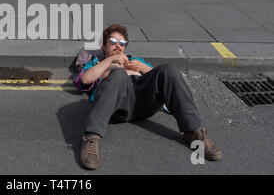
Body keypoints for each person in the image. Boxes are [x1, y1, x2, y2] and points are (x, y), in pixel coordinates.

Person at [75, 24, 222, 170]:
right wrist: (110, 63)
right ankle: (91, 137)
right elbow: (85, 79)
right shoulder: (97, 63)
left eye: (122, 43)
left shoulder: (136, 61)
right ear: (103, 47)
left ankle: (193, 132)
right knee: (119, 74)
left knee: (169, 69)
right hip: (117, 105)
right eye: (113, 42)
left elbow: (166, 82)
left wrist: (142, 68)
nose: (118, 46)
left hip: (144, 102)